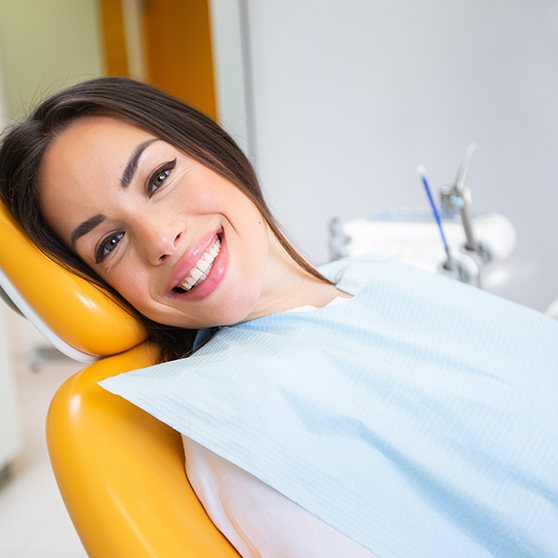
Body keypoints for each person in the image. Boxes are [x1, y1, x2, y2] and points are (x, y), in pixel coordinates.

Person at [0, 77, 557, 558]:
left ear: (207, 146)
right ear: (102, 288)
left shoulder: (369, 275)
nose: (162, 237)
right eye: (112, 241)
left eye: (159, 178)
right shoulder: (242, 421)